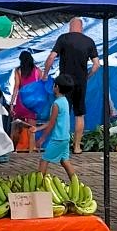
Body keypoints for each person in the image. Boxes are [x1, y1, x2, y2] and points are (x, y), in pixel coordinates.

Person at [46, 20, 98, 154]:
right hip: (81, 82)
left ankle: (61, 146)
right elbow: (96, 65)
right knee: (79, 114)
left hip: (64, 82)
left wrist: (45, 74)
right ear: (82, 27)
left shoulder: (63, 38)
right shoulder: (89, 41)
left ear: (70, 27)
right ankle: (77, 147)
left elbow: (52, 57)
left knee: (63, 113)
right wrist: (87, 76)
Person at [35, 87, 78, 181]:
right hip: (65, 137)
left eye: (54, 85)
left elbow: (51, 123)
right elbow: (52, 121)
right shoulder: (64, 101)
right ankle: (77, 185)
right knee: (65, 161)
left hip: (58, 139)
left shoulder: (56, 104)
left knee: (44, 160)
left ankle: (37, 186)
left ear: (57, 87)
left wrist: (42, 139)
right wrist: (37, 128)